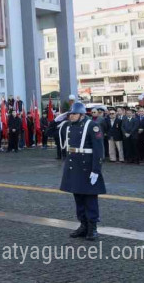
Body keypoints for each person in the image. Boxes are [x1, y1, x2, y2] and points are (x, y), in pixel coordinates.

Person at [58, 102, 106, 241]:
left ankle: (92, 228)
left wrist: (96, 170)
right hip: (74, 166)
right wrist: (57, 120)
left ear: (82, 114)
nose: (71, 116)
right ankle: (83, 225)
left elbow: (99, 150)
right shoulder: (68, 125)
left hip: (87, 167)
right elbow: (51, 132)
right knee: (78, 197)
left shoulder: (92, 126)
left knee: (90, 198)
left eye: (74, 114)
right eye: (70, 114)